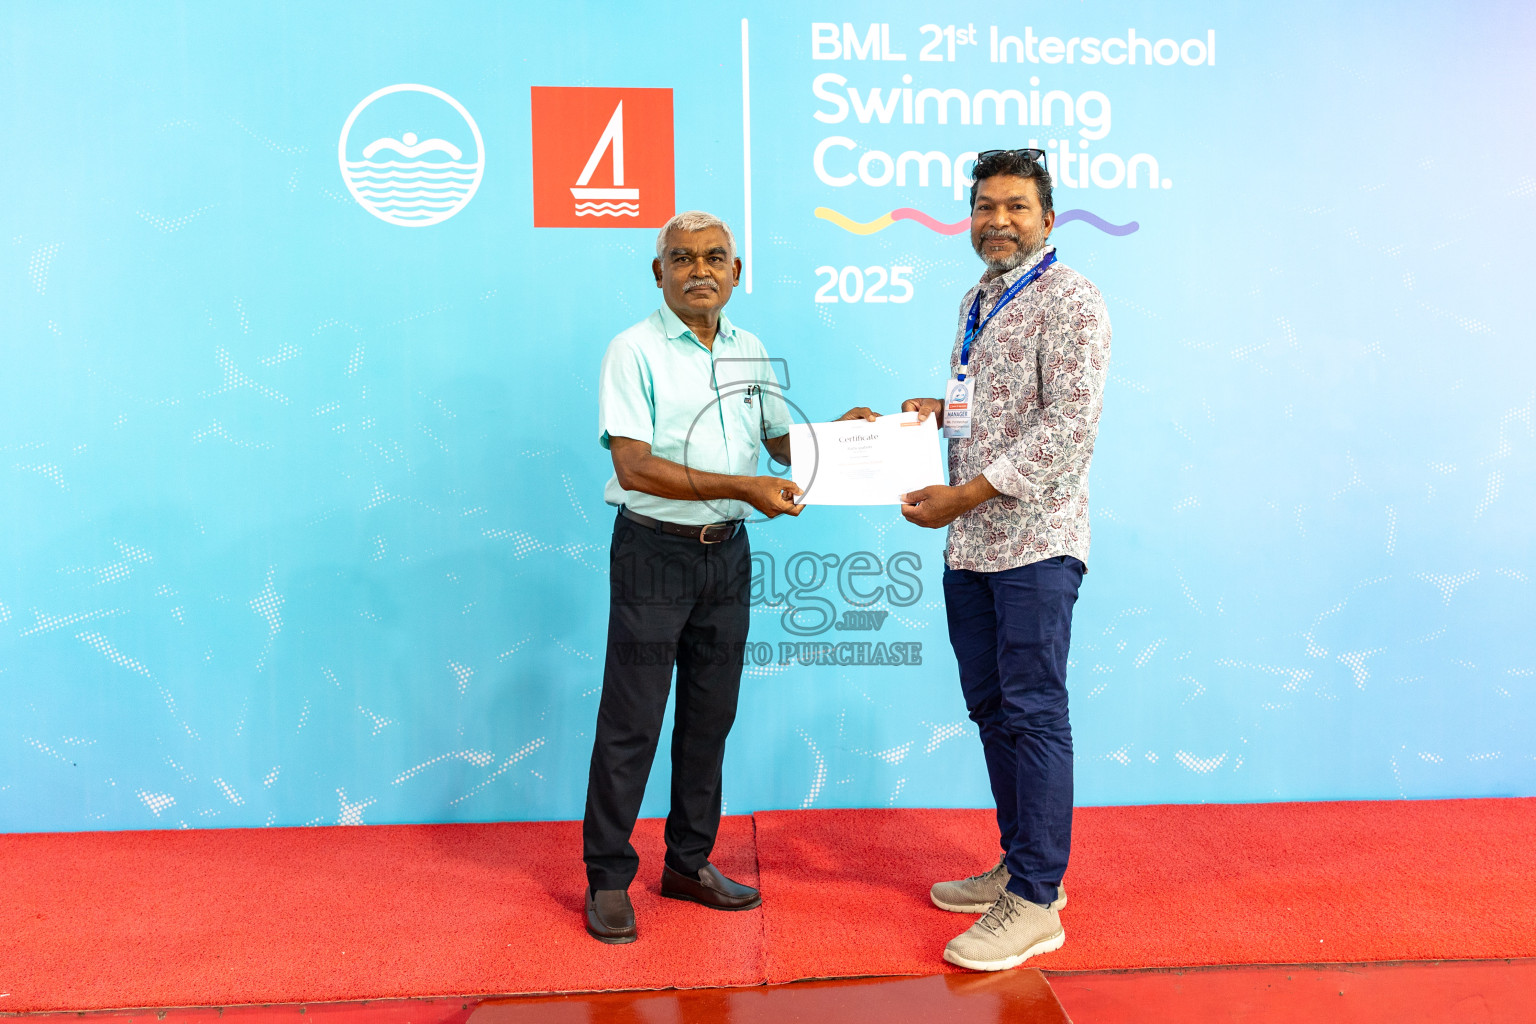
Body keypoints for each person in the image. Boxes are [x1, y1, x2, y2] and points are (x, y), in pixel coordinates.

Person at [584, 210, 876, 944]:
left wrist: (846, 435)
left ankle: (688, 864)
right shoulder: (632, 349)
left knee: (710, 715)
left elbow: (777, 440)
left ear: (737, 272)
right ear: (659, 274)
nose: (699, 270)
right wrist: (743, 487)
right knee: (633, 720)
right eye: (680, 259)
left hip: (728, 556)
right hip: (654, 553)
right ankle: (609, 878)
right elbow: (634, 465)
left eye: (715, 257)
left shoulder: (750, 349)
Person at [898, 149, 1111, 971]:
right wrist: (935, 414)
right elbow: (986, 409)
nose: (998, 221)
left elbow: (1066, 431)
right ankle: (1019, 866)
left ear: (1048, 218)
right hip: (971, 547)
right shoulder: (977, 298)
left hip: (1036, 543)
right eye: (985, 206)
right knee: (992, 709)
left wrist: (964, 493)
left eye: (1017, 206)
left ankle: (1038, 899)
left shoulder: (1072, 299)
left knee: (1033, 711)